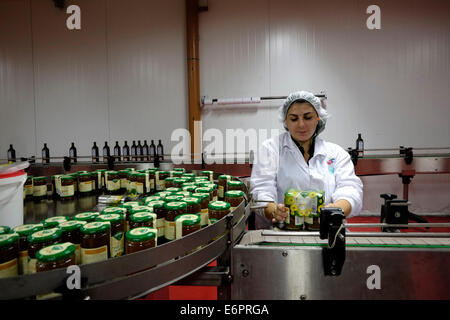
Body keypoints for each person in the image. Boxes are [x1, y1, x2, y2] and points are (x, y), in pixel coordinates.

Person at [250, 90, 363, 229]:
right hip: (279, 233)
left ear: (318, 118)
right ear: (285, 121)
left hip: (327, 232)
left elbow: (350, 188)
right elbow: (261, 189)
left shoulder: (336, 153)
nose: (301, 124)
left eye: (308, 117)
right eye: (294, 119)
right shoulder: (270, 149)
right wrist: (273, 209)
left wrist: (336, 209)